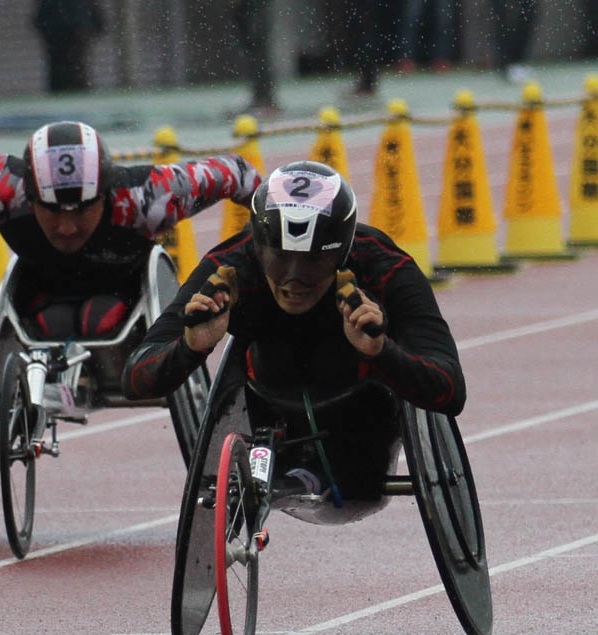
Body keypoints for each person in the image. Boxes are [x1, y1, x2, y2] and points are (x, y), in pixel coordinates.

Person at [122, 161, 464, 504]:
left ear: (342, 253)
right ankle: (292, 467)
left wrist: (380, 351)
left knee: (357, 472)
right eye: (279, 259)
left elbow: (450, 390)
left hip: (363, 413)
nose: (293, 279)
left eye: (312, 262)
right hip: (270, 404)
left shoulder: (385, 267)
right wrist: (190, 348)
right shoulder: (230, 267)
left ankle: (322, 470)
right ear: (258, 248)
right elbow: (135, 379)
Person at [0, 121, 259, 337]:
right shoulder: (1, 191)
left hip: (123, 292)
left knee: (96, 319)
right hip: (41, 289)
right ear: (29, 196)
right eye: (51, 210)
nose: (67, 227)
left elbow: (240, 174)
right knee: (53, 322)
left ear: (106, 193)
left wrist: (267, 250)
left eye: (83, 209)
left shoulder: (146, 198)